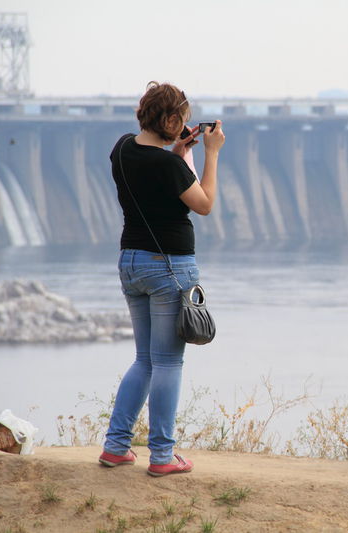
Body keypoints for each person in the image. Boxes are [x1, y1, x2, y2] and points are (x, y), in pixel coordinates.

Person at [98, 81, 225, 477]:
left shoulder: (121, 148)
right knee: (169, 361)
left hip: (131, 262)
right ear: (171, 119)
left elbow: (150, 175)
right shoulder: (169, 166)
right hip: (169, 265)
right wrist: (212, 154)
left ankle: (116, 447)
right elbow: (204, 204)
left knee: (145, 359)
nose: (186, 126)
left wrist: (179, 149)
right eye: (182, 120)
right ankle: (163, 456)